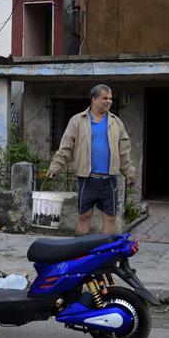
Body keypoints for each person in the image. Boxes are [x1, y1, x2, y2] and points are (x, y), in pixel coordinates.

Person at [46, 84, 135, 235]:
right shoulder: (78, 120)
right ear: (94, 99)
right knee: (84, 216)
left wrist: (129, 172)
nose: (109, 101)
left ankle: (106, 250)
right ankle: (82, 249)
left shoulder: (116, 122)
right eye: (105, 98)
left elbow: (124, 151)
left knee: (110, 218)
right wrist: (55, 167)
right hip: (87, 178)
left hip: (109, 179)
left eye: (110, 98)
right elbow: (66, 147)